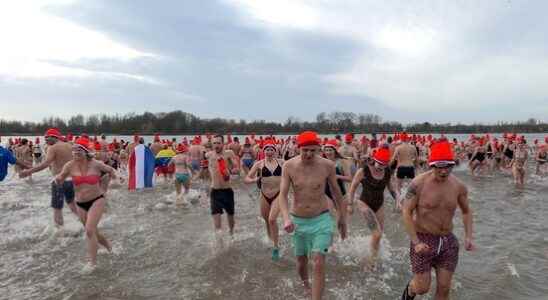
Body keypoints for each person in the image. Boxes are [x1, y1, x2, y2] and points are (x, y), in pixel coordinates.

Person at [401, 140, 474, 300]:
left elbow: (467, 212)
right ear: (432, 165)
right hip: (423, 240)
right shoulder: (418, 184)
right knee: (421, 288)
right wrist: (415, 241)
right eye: (439, 167)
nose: (444, 171)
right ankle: (408, 294)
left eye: (448, 166)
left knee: (444, 288)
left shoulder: (459, 186)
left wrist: (468, 236)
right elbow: (406, 211)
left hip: (448, 242)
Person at [278, 131, 347, 300]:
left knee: (318, 261)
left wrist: (342, 218)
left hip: (321, 219)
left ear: (318, 149)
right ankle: (306, 285)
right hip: (298, 221)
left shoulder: (327, 166)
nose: (308, 154)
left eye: (312, 150)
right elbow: (282, 195)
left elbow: (337, 194)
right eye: (305, 150)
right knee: (301, 262)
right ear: (298, 148)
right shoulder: (288, 166)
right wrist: (286, 218)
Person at [55, 137, 116, 269]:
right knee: (94, 232)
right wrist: (58, 179)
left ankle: (92, 263)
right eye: (74, 151)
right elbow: (61, 176)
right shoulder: (69, 165)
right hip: (80, 203)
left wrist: (117, 177)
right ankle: (109, 247)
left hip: (97, 200)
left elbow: (110, 170)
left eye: (79, 151)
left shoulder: (96, 164)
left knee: (89, 230)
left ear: (86, 152)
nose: (75, 153)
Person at [348, 146, 397, 268]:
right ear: (374, 159)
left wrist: (398, 201)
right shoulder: (363, 171)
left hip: (379, 204)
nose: (381, 166)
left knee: (379, 235)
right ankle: (371, 263)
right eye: (379, 163)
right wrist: (350, 204)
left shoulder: (387, 172)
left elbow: (391, 188)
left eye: (384, 164)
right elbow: (353, 187)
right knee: (377, 234)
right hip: (364, 203)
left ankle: (371, 253)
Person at [20, 129, 79, 227]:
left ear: (55, 137)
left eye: (47, 137)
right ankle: (87, 223)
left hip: (59, 181)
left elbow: (45, 164)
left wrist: (28, 172)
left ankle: (60, 234)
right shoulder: (70, 145)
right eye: (45, 137)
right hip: (72, 180)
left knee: (57, 209)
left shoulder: (53, 148)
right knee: (72, 204)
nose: (46, 139)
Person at [244, 139, 284, 260]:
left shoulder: (282, 162)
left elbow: (293, 171)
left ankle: (276, 247)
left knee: (272, 219)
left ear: (275, 151)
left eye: (272, 149)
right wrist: (254, 180)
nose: (269, 151)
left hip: (278, 194)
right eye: (267, 149)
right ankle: (270, 239)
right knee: (266, 220)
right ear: (264, 151)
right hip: (264, 195)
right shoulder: (259, 164)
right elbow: (246, 179)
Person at [206, 135, 239, 237]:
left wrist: (231, 171)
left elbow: (237, 168)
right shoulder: (209, 155)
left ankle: (232, 235)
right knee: (217, 224)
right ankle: (219, 244)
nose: (216, 145)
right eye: (214, 143)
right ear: (212, 144)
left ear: (223, 144)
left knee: (230, 216)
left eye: (218, 143)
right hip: (214, 191)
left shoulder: (229, 153)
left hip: (227, 191)